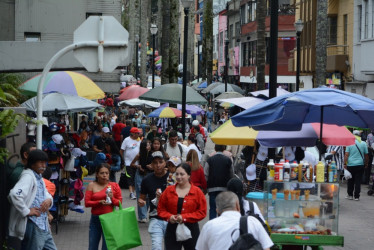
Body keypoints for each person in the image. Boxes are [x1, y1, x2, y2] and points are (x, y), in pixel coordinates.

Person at [8, 149, 56, 250]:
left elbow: (45, 194)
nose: (44, 166)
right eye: (41, 162)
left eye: (45, 163)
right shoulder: (28, 177)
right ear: (32, 164)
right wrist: (27, 211)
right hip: (34, 224)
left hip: (43, 225)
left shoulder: (38, 176)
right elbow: (14, 194)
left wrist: (49, 200)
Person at [195, 191, 273, 250]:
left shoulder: (208, 226)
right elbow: (266, 247)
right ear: (237, 205)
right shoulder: (252, 222)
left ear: (217, 210)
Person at [158, 163, 207, 250]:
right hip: (172, 228)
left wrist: (184, 217)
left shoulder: (197, 192)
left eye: (182, 174)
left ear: (188, 175)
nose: (178, 177)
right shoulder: (168, 190)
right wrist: (169, 217)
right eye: (176, 174)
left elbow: (202, 212)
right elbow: (161, 209)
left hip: (191, 229)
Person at [85, 163, 122, 250]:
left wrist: (112, 198)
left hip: (109, 219)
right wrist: (99, 202)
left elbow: (119, 203)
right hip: (95, 220)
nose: (104, 175)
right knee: (92, 246)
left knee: (107, 247)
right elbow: (87, 203)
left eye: (107, 173)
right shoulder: (92, 185)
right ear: (97, 174)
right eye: (102, 173)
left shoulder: (114, 186)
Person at [138, 151, 169, 250]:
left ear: (165, 163)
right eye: (155, 163)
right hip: (155, 218)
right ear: (151, 165)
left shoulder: (172, 177)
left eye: (160, 162)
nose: (158, 165)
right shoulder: (147, 180)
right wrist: (141, 202)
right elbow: (141, 198)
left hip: (172, 218)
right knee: (156, 247)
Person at [205, 144, 233, 219]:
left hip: (212, 188)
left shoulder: (209, 160)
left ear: (215, 148)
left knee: (213, 209)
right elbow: (231, 174)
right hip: (224, 188)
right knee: (223, 209)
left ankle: (212, 225)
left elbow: (206, 174)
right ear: (224, 149)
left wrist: (206, 187)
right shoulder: (228, 160)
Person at [131, 139, 152, 223]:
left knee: (147, 196)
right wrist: (138, 166)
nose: (149, 146)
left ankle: (143, 214)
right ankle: (142, 216)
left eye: (149, 144)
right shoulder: (139, 155)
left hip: (149, 175)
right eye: (147, 145)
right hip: (140, 175)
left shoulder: (152, 154)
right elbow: (131, 164)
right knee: (140, 195)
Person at [344, 130, 369, 201]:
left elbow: (346, 154)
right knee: (358, 181)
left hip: (350, 165)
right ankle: (357, 196)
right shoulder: (363, 143)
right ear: (359, 135)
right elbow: (366, 155)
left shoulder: (349, 143)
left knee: (350, 180)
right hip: (360, 164)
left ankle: (350, 195)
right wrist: (366, 163)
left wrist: (344, 163)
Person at [120, 127, 141, 200]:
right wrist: (123, 161)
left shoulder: (139, 140)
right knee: (129, 178)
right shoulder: (126, 140)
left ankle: (134, 192)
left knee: (135, 178)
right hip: (128, 163)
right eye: (137, 133)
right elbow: (121, 151)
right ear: (133, 134)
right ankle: (131, 193)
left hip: (137, 163)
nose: (139, 134)